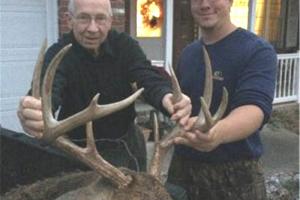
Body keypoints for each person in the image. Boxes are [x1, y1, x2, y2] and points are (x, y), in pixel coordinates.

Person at [17, 0, 191, 175]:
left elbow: (146, 76)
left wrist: (166, 96)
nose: (93, 28)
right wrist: (35, 111)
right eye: (84, 18)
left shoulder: (125, 46)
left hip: (125, 146)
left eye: (100, 19)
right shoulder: (58, 53)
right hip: (76, 150)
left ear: (110, 20)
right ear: (70, 20)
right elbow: (47, 90)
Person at [167, 0, 277, 199]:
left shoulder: (256, 50)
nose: (205, 4)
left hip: (234, 177)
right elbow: (182, 104)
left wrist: (218, 133)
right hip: (182, 172)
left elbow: (254, 108)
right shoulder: (188, 53)